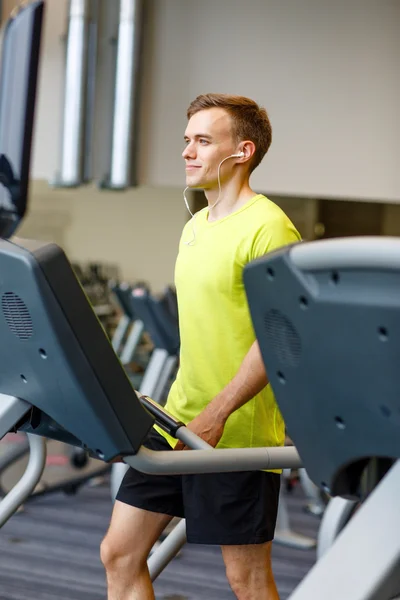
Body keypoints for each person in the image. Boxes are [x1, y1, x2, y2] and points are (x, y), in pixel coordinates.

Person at [100, 93, 301, 600]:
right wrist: (191, 414)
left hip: (238, 433)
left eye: (204, 141)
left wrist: (217, 413)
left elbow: (276, 338)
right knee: (120, 554)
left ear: (243, 151)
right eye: (187, 140)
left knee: (245, 577)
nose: (188, 151)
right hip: (177, 420)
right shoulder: (194, 226)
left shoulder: (269, 227)